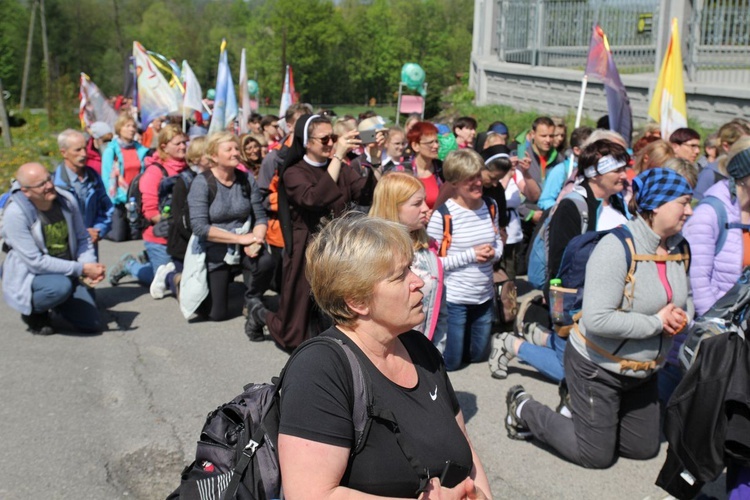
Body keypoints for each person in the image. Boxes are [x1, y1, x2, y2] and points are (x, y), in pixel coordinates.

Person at [277, 213, 491, 499]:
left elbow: (466, 447)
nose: (418, 282)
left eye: (411, 268)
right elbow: (310, 494)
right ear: (357, 301)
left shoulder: (420, 348)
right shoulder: (320, 369)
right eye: (400, 276)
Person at [505, 168, 694, 469]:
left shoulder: (680, 248)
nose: (689, 211)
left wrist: (683, 316)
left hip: (644, 371)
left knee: (643, 449)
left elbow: (685, 298)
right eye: (683, 202)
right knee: (596, 456)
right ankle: (523, 408)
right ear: (657, 205)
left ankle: (584, 411)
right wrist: (658, 323)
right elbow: (597, 320)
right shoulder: (616, 247)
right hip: (597, 366)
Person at [490, 139, 630, 381]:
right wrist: (555, 299)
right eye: (616, 170)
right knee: (575, 374)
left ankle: (541, 337)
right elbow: (559, 259)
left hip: (605, 296)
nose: (624, 175)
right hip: (575, 298)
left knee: (590, 359)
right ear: (595, 173)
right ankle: (511, 344)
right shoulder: (572, 206)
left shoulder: (616, 200)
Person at [251, 114, 377, 351]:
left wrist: (376, 157)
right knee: (295, 319)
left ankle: (328, 344)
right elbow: (314, 199)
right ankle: (260, 315)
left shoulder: (341, 168)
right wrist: (338, 156)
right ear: (307, 142)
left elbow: (364, 194)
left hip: (336, 245)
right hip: (305, 245)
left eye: (334, 138)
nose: (331, 143)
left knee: (336, 298)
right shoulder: (294, 172)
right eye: (325, 139)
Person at [1, 163, 106, 335]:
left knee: (92, 324)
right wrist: (81, 268)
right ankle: (35, 313)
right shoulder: (15, 214)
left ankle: (59, 303)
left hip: (66, 269)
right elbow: (36, 262)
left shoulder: (66, 199)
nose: (49, 186)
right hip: (34, 274)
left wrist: (89, 264)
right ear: (26, 191)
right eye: (41, 184)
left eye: (48, 179)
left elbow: (82, 237)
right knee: (59, 287)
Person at [185, 132, 273, 338]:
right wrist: (239, 238)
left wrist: (257, 238)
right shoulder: (202, 182)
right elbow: (199, 227)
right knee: (217, 314)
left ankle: (252, 300)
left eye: (236, 148)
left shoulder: (246, 179)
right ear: (214, 156)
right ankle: (178, 279)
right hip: (214, 248)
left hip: (243, 244)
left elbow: (260, 216)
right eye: (229, 149)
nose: (236, 153)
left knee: (266, 262)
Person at [426, 149, 503, 371]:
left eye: (479, 176)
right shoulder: (443, 215)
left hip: (484, 296)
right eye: (471, 179)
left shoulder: (490, 206)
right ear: (455, 182)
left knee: (479, 356)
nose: (478, 183)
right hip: (455, 299)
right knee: (452, 363)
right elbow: (432, 264)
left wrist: (494, 253)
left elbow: (497, 240)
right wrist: (472, 255)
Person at [369, 172, 448, 350]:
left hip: (425, 346)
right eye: (416, 203)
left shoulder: (428, 247)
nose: (426, 208)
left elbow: (439, 305)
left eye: (425, 201)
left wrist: (437, 349)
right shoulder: (375, 255)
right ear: (393, 207)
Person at [108, 125, 189, 290]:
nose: (183, 147)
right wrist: (176, 223)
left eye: (184, 143)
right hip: (160, 236)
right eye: (177, 143)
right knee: (164, 280)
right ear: (164, 146)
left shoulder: (188, 168)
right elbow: (151, 213)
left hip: (181, 235)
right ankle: (130, 265)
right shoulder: (154, 172)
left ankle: (149, 258)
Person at [683, 137, 750, 317]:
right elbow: (697, 284)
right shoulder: (709, 214)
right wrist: (718, 327)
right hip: (720, 330)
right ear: (744, 172)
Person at [53, 129, 114, 255]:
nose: (84, 154)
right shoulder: (54, 184)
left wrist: (98, 230)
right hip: (65, 250)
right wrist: (82, 234)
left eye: (85, 148)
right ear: (64, 153)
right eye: (78, 150)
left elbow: (106, 208)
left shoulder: (93, 177)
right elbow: (53, 223)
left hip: (91, 246)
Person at [100, 113, 150, 241]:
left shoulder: (141, 150)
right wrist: (115, 197)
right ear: (119, 129)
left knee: (136, 236)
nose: (132, 129)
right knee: (119, 237)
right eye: (127, 126)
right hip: (119, 198)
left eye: (133, 126)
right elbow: (107, 177)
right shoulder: (111, 150)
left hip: (137, 197)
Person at [404, 122, 444, 209]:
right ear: (415, 146)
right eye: (430, 143)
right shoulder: (403, 172)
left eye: (437, 141)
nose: (436, 146)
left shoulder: (442, 170)